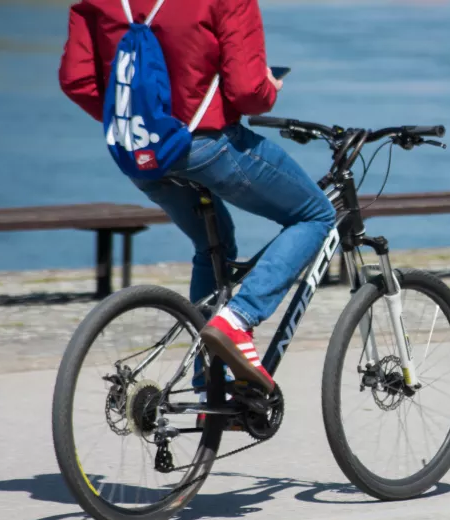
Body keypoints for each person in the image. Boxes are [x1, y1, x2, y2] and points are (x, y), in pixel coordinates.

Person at [59, 0, 336, 395]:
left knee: (213, 247)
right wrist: (269, 87)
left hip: (140, 154)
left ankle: (211, 386)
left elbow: (79, 81)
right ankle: (238, 320)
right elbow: (246, 91)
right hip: (204, 145)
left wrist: (145, 125)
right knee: (315, 215)